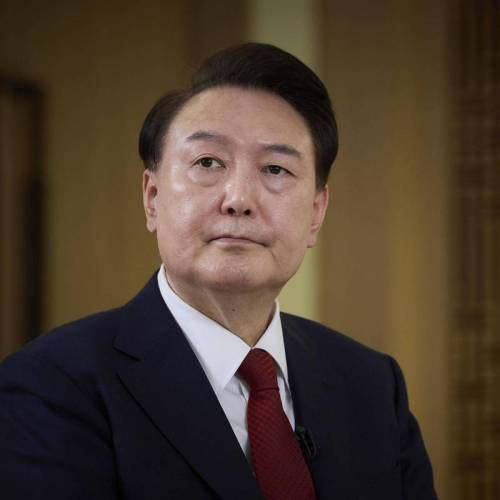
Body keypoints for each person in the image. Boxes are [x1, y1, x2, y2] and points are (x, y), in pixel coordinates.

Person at [0, 43, 437, 499]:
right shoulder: (50, 386)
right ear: (152, 198)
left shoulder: (373, 386)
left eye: (275, 169)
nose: (239, 199)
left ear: (315, 213)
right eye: (207, 163)